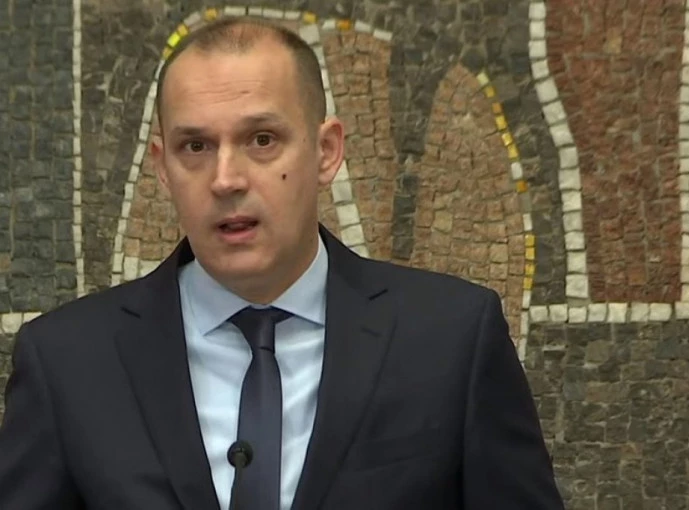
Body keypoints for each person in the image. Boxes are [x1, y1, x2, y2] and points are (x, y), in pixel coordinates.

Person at [0, 17, 564, 510]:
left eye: (262, 139)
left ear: (326, 152)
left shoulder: (452, 338)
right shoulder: (67, 363)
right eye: (195, 147)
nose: (226, 179)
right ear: (162, 166)